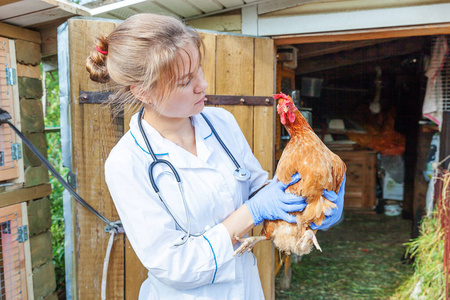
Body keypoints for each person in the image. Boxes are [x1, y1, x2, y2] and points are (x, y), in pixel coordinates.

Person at [86, 13, 344, 300]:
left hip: (247, 290)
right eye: (186, 81)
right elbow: (175, 266)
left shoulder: (221, 122)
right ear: (143, 92)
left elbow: (259, 189)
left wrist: (305, 204)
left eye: (199, 70)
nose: (203, 84)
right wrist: (254, 211)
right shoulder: (127, 162)